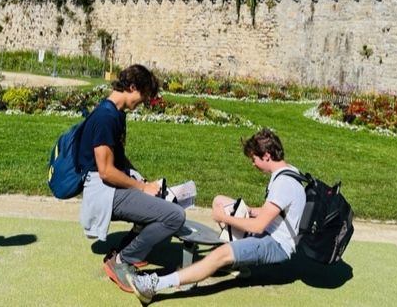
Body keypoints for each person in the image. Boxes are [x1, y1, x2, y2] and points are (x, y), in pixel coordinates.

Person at [128, 128, 306, 303]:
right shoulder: (288, 171)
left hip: (276, 244)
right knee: (220, 201)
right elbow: (275, 211)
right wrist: (249, 211)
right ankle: (238, 263)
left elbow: (258, 226)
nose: (253, 164)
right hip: (271, 230)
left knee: (219, 254)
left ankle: (153, 285)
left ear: (267, 155)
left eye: (254, 159)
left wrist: (225, 218)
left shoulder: (283, 183)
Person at [78, 64, 186, 293]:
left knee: (161, 201)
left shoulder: (117, 114)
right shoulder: (106, 117)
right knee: (175, 216)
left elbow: (120, 159)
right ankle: (123, 261)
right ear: (132, 87)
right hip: (104, 191)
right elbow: (106, 170)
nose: (143, 102)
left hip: (112, 186)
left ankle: (124, 251)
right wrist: (141, 187)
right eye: (143, 96)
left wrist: (145, 182)